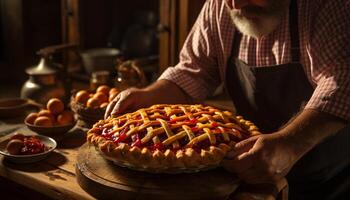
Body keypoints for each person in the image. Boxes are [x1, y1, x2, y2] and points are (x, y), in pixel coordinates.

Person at [105, 0, 350, 199]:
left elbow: (342, 82)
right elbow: (194, 70)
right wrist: (150, 94)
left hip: (329, 178)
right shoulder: (222, 6)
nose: (235, 4)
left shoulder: (327, 6)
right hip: (248, 171)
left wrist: (290, 143)